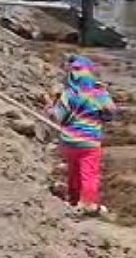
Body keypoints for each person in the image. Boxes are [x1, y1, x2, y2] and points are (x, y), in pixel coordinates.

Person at [47, 55, 117, 214]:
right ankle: (88, 203)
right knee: (89, 174)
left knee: (74, 172)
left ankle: (74, 199)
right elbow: (110, 113)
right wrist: (104, 97)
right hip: (90, 143)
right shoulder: (98, 93)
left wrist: (50, 107)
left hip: (69, 141)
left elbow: (59, 117)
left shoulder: (68, 94)